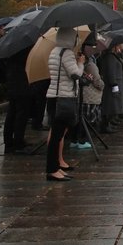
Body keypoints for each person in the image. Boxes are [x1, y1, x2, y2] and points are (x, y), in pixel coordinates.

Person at [45, 27, 84, 182]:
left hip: (54, 95)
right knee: (57, 135)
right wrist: (80, 63)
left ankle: (55, 167)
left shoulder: (55, 51)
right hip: (63, 97)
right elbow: (75, 74)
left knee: (56, 135)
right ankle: (52, 169)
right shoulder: (66, 53)